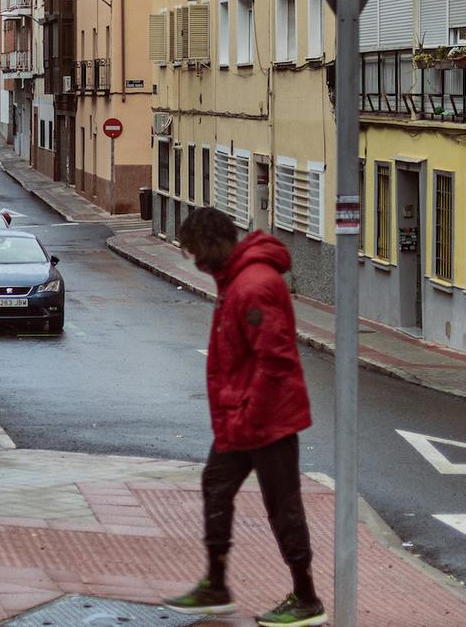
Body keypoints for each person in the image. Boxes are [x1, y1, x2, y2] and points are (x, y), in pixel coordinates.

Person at [165, 206, 325, 627]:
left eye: (194, 250)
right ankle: (216, 585)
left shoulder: (253, 286)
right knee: (215, 486)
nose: (193, 259)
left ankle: (306, 598)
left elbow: (275, 360)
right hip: (242, 418)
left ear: (212, 244)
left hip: (267, 419)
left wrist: (251, 411)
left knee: (283, 507)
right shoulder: (234, 281)